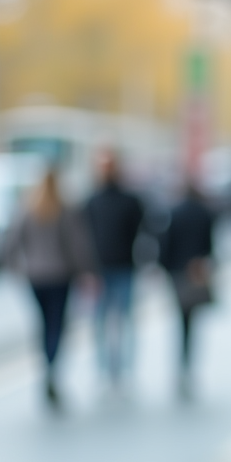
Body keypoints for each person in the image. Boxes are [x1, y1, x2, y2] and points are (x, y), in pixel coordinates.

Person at [2, 168, 93, 410]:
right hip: (60, 275)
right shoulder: (64, 209)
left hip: (36, 276)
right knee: (57, 325)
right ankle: (52, 366)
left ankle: (46, 363)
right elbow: (78, 244)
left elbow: (11, 242)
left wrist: (15, 267)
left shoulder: (27, 208)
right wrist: (85, 270)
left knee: (43, 324)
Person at [83, 152, 145, 386]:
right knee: (100, 322)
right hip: (101, 270)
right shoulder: (93, 200)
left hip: (123, 268)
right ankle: (103, 369)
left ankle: (124, 369)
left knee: (125, 321)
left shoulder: (127, 200)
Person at [159, 184, 214, 398]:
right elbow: (209, 246)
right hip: (196, 271)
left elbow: (165, 243)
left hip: (178, 273)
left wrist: (165, 268)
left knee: (181, 319)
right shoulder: (205, 213)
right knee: (192, 322)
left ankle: (181, 366)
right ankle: (187, 365)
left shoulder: (175, 213)